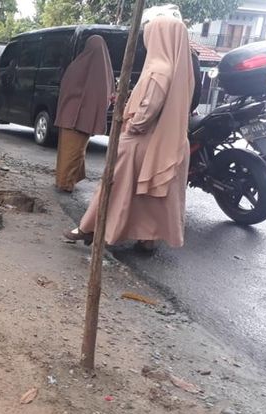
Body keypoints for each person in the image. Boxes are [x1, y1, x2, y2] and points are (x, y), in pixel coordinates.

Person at [64, 17, 194, 252]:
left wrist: (129, 126)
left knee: (114, 185)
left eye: (150, 34)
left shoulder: (159, 71)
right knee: (153, 197)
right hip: (167, 142)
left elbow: (147, 112)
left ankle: (90, 227)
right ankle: (147, 239)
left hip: (141, 143)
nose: (146, 39)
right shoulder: (176, 69)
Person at [54, 35, 115, 193]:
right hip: (83, 118)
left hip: (69, 114)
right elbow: (105, 96)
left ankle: (66, 181)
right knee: (75, 151)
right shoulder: (104, 71)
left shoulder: (78, 65)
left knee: (69, 151)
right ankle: (66, 182)